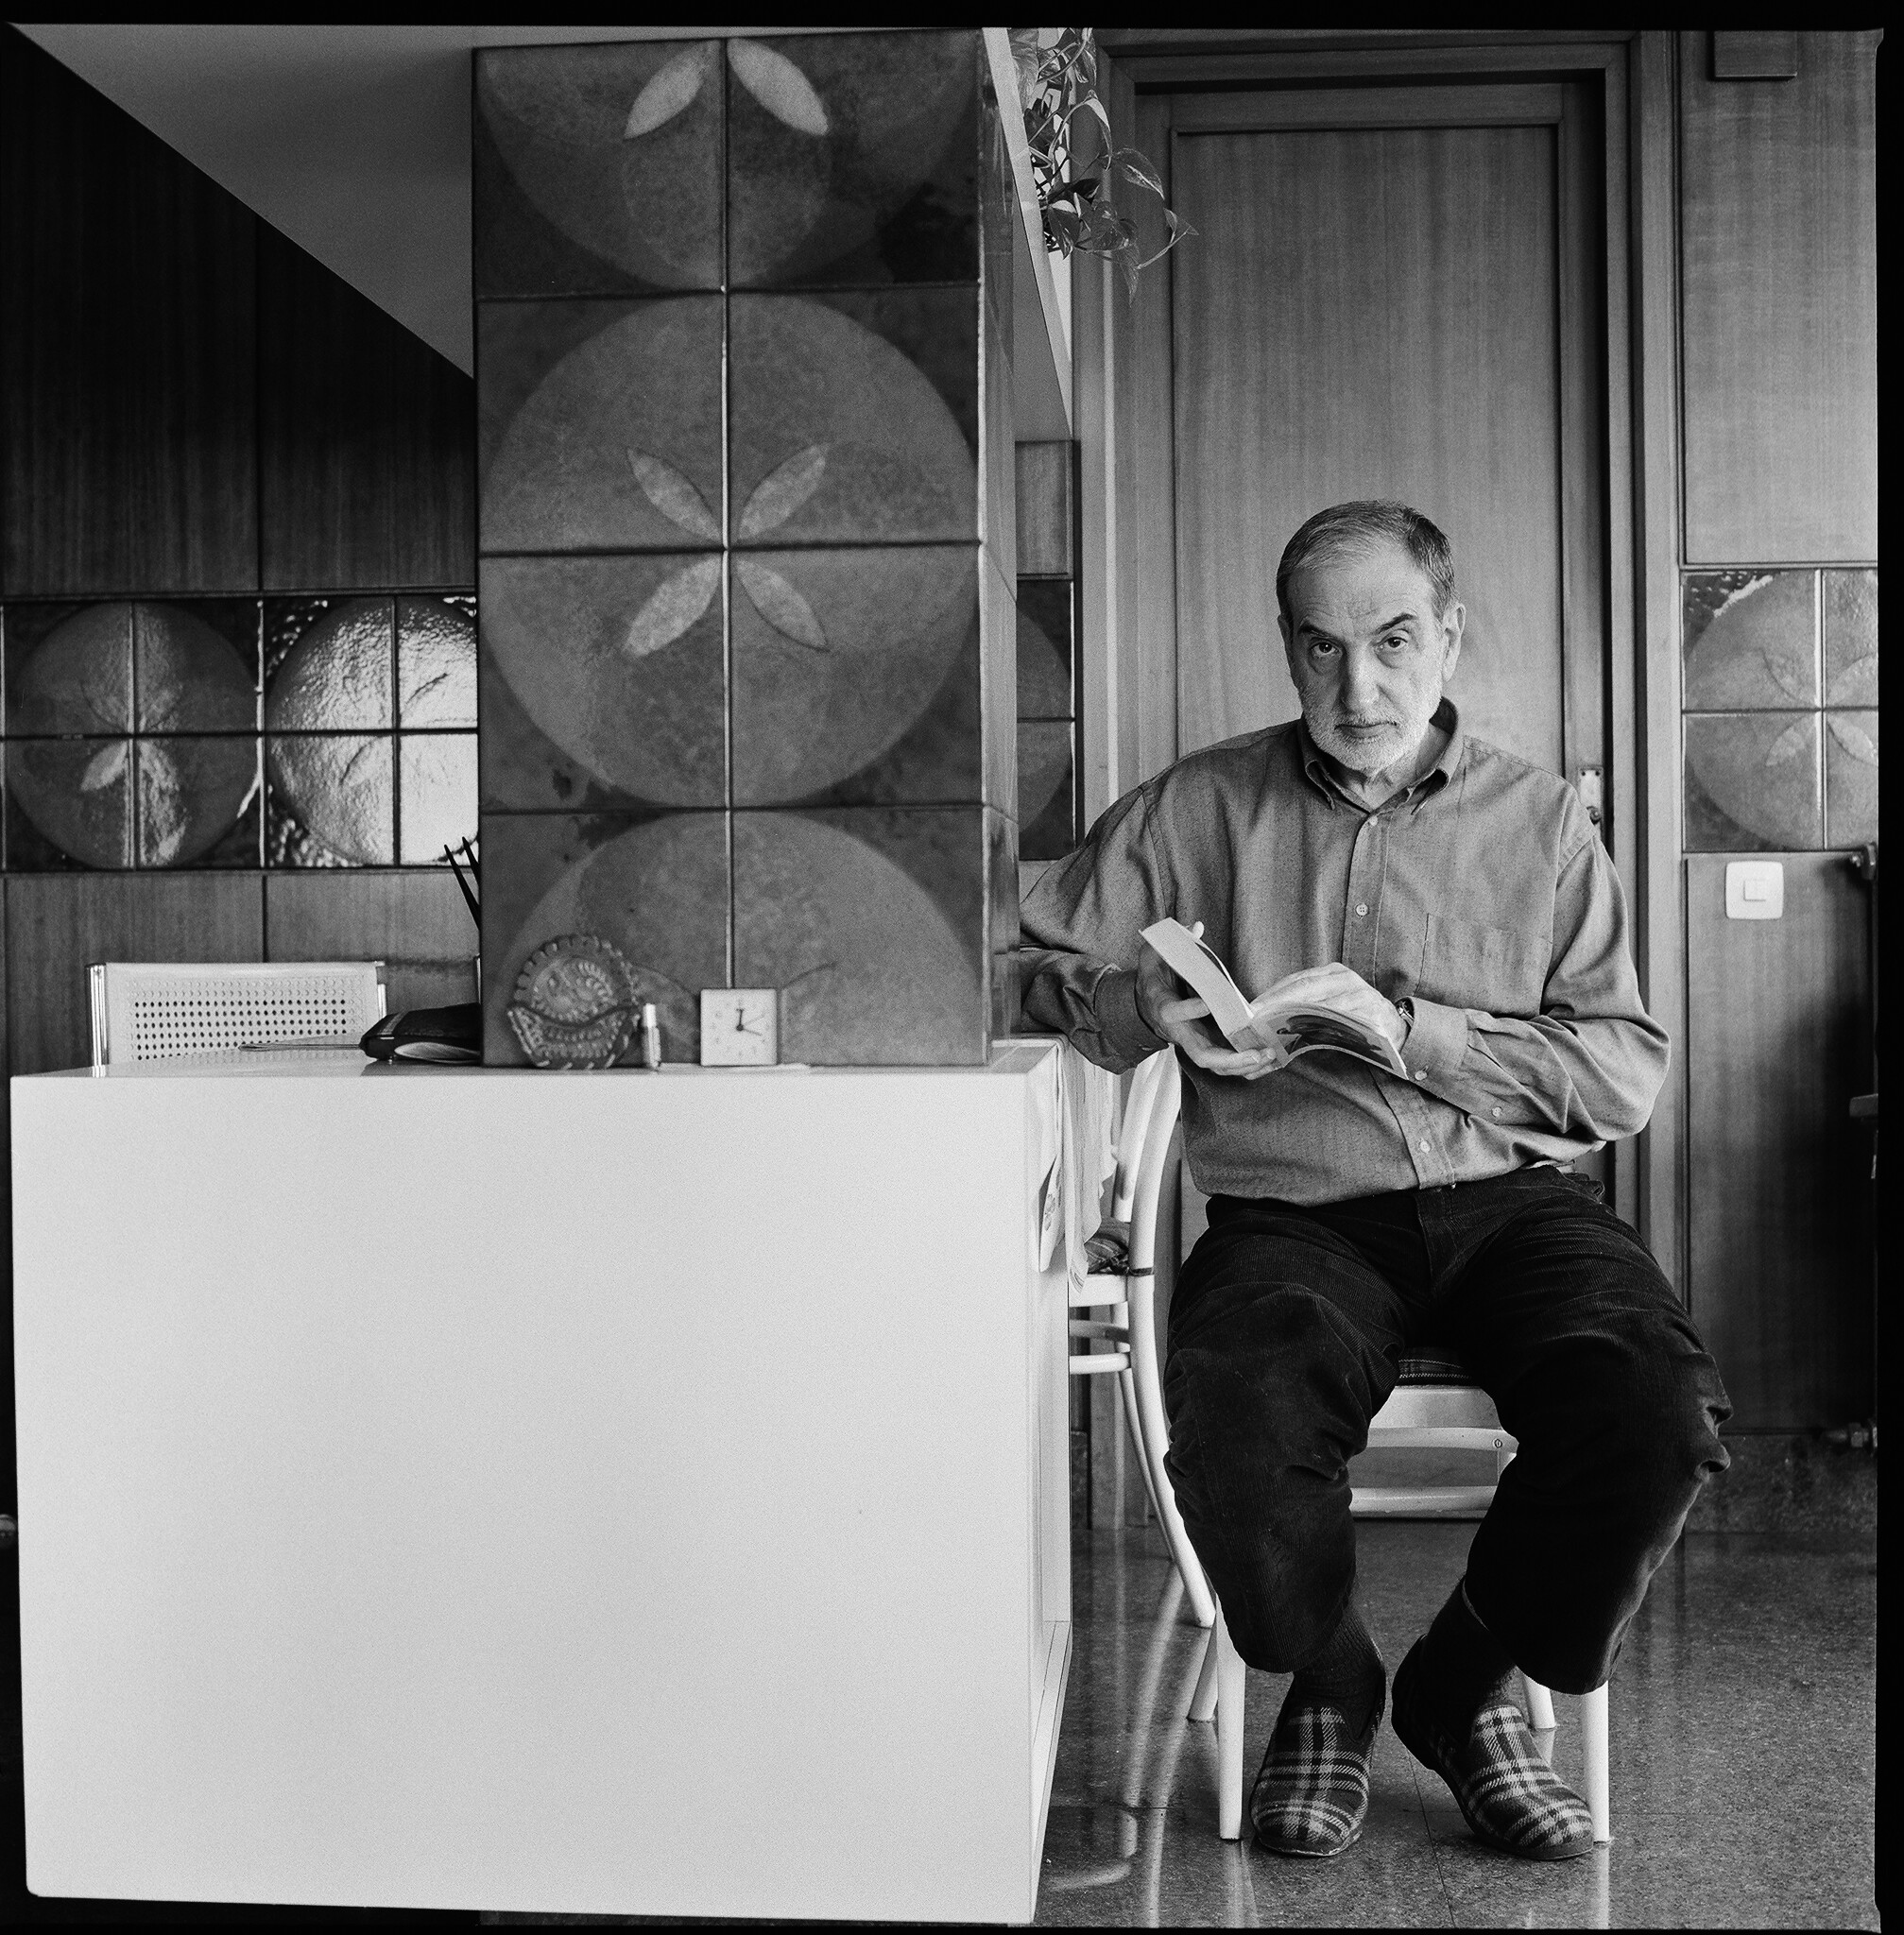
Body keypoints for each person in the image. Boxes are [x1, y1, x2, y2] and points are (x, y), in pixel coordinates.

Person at [1018, 501, 1730, 1860]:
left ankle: (1462, 1682)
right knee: (1232, 1418)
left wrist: (1417, 1035)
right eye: (1322, 648)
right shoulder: (1198, 807)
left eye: (1395, 640)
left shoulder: (1542, 823)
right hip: (1296, 1219)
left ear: (1449, 637)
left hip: (1513, 1205)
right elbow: (1009, 955)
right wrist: (1129, 1003)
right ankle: (1331, 1682)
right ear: (1287, 648)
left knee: (1656, 1409)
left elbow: (1624, 1074)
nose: (1360, 688)